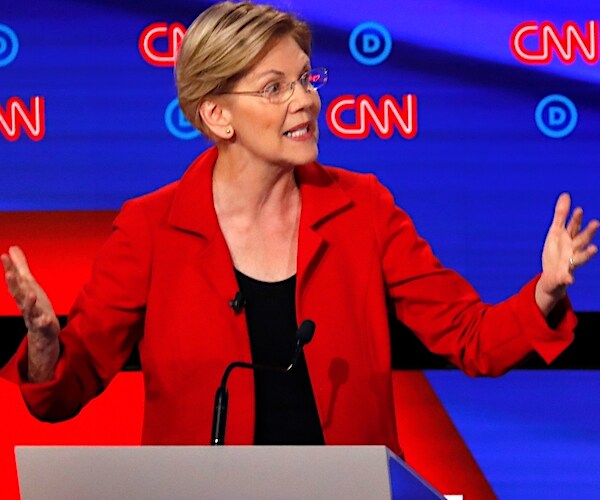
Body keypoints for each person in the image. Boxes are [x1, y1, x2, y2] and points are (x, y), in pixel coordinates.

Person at [1, 1, 598, 456]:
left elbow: (470, 339)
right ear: (217, 114)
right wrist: (47, 343)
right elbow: (64, 392)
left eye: (307, 79)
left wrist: (545, 291)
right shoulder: (150, 229)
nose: (305, 102)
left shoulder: (363, 208)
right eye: (274, 88)